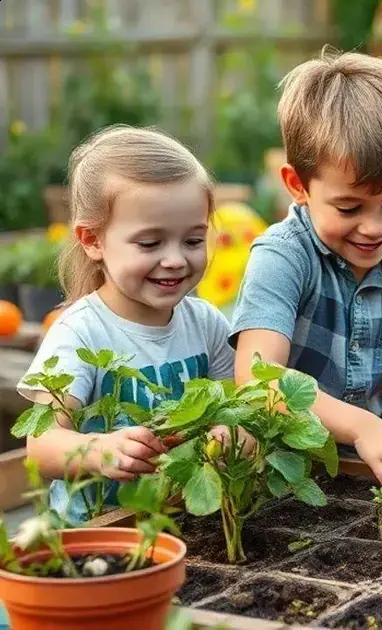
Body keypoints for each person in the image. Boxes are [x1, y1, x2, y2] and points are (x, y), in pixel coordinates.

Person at [231, 51, 382, 501]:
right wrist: (364, 428)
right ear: (297, 185)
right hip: (284, 481)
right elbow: (259, 381)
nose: (374, 227)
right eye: (349, 208)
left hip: (368, 483)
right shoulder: (284, 258)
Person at [19, 126, 235, 522]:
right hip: (95, 532)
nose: (175, 259)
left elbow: (232, 407)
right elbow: (41, 446)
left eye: (192, 240)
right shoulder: (79, 333)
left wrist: (231, 434)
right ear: (92, 240)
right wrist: (100, 451)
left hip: (186, 522)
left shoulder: (206, 323)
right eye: (150, 244)